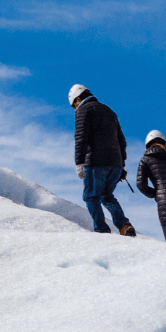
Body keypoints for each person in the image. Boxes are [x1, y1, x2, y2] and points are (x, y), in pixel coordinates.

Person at [69, 83, 136, 236]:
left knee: (91, 197)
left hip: (96, 162)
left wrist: (79, 162)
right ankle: (125, 226)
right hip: (115, 164)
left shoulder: (84, 110)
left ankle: (102, 231)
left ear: (78, 99)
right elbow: (122, 141)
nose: (75, 109)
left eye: (74, 105)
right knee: (107, 195)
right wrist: (122, 165)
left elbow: (81, 138)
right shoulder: (109, 111)